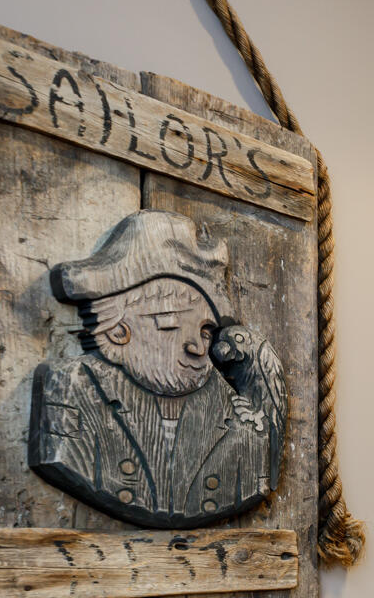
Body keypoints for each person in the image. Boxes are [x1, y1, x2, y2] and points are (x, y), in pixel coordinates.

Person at [29, 210, 286, 529]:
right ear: (118, 331)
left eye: (205, 331)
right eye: (171, 324)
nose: (198, 347)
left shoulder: (242, 419)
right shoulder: (70, 390)